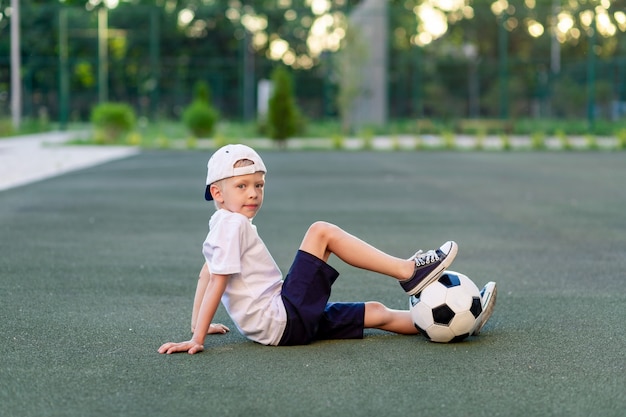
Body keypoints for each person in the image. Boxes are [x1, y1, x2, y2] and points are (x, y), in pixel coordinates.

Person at [158, 144, 496, 355]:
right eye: (242, 186)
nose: (253, 193)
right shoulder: (232, 225)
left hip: (280, 326)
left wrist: (195, 326)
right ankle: (409, 271)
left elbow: (206, 273)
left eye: (259, 185)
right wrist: (198, 338)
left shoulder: (220, 225)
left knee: (376, 312)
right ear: (217, 193)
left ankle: (464, 324)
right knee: (321, 232)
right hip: (284, 315)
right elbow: (216, 279)